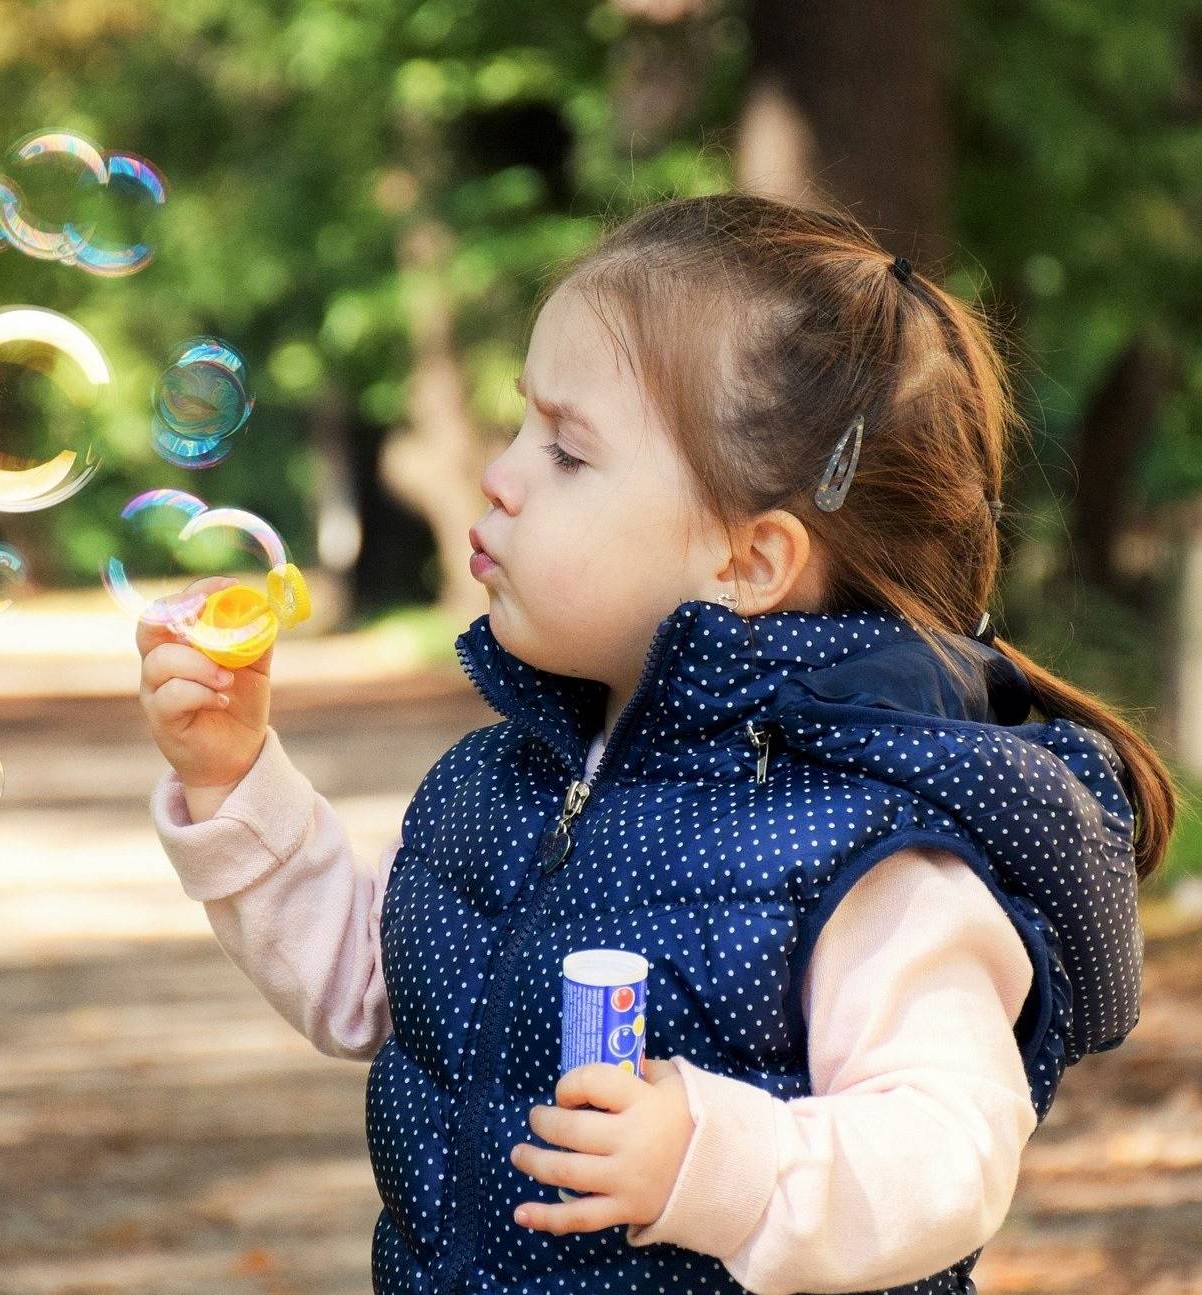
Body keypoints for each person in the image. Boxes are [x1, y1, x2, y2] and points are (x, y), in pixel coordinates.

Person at [136, 191, 1172, 1294]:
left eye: (569, 453)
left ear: (748, 561)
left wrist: (713, 1157)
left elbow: (947, 1152)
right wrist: (235, 777)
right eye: (521, 424)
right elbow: (370, 980)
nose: (501, 473)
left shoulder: (865, 843)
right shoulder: (506, 780)